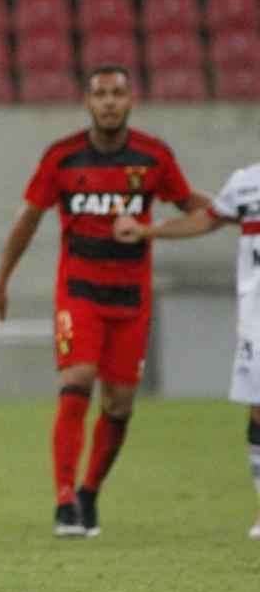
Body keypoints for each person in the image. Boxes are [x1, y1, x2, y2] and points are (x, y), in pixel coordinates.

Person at [0, 65, 210, 538]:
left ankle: (89, 493)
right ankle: (64, 500)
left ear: (132, 102)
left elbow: (198, 211)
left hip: (131, 298)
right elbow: (28, 220)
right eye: (100, 94)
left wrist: (152, 229)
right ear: (87, 103)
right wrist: (0, 280)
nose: (109, 102)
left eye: (118, 93)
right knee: (77, 379)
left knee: (120, 404)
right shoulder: (63, 158)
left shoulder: (153, 158)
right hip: (79, 292)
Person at [114, 161, 260, 539]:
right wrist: (147, 230)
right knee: (259, 410)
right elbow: (207, 219)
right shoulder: (245, 183)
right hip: (257, 318)